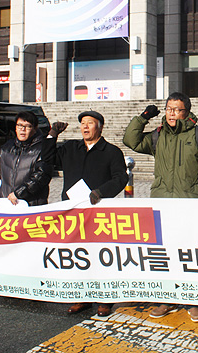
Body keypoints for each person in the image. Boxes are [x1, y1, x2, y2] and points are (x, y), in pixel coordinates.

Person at [123, 91, 198, 322]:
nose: (172, 114)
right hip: (161, 203)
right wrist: (143, 117)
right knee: (164, 254)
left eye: (177, 109)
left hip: (190, 204)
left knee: (190, 254)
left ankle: (193, 300)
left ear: (187, 112)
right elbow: (131, 141)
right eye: (168, 109)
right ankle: (167, 299)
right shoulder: (158, 135)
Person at [44, 110, 128, 316]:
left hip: (99, 212)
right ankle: (82, 296)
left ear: (100, 126)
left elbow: (120, 178)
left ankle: (104, 299)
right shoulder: (71, 148)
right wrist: (52, 135)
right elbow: (46, 159)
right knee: (78, 255)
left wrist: (101, 192)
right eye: (83, 123)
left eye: (90, 123)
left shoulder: (111, 151)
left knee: (101, 256)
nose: (85, 127)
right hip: (73, 211)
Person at [0, 111, 51, 206]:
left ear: (35, 128)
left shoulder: (42, 149)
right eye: (19, 125)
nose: (23, 129)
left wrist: (19, 193)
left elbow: (41, 176)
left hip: (31, 204)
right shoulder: (9, 146)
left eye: (27, 126)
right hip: (7, 202)